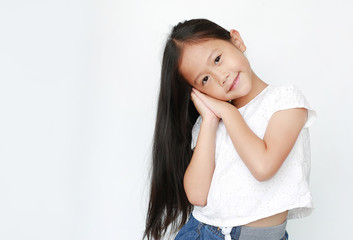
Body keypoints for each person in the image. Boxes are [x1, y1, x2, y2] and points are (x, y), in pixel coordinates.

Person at [143, 18, 316, 240]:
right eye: (205, 79)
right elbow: (197, 195)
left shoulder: (284, 101)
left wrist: (229, 113)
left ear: (236, 40)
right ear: (198, 92)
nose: (220, 77)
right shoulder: (210, 122)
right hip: (203, 232)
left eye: (217, 59)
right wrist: (210, 120)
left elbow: (263, 166)